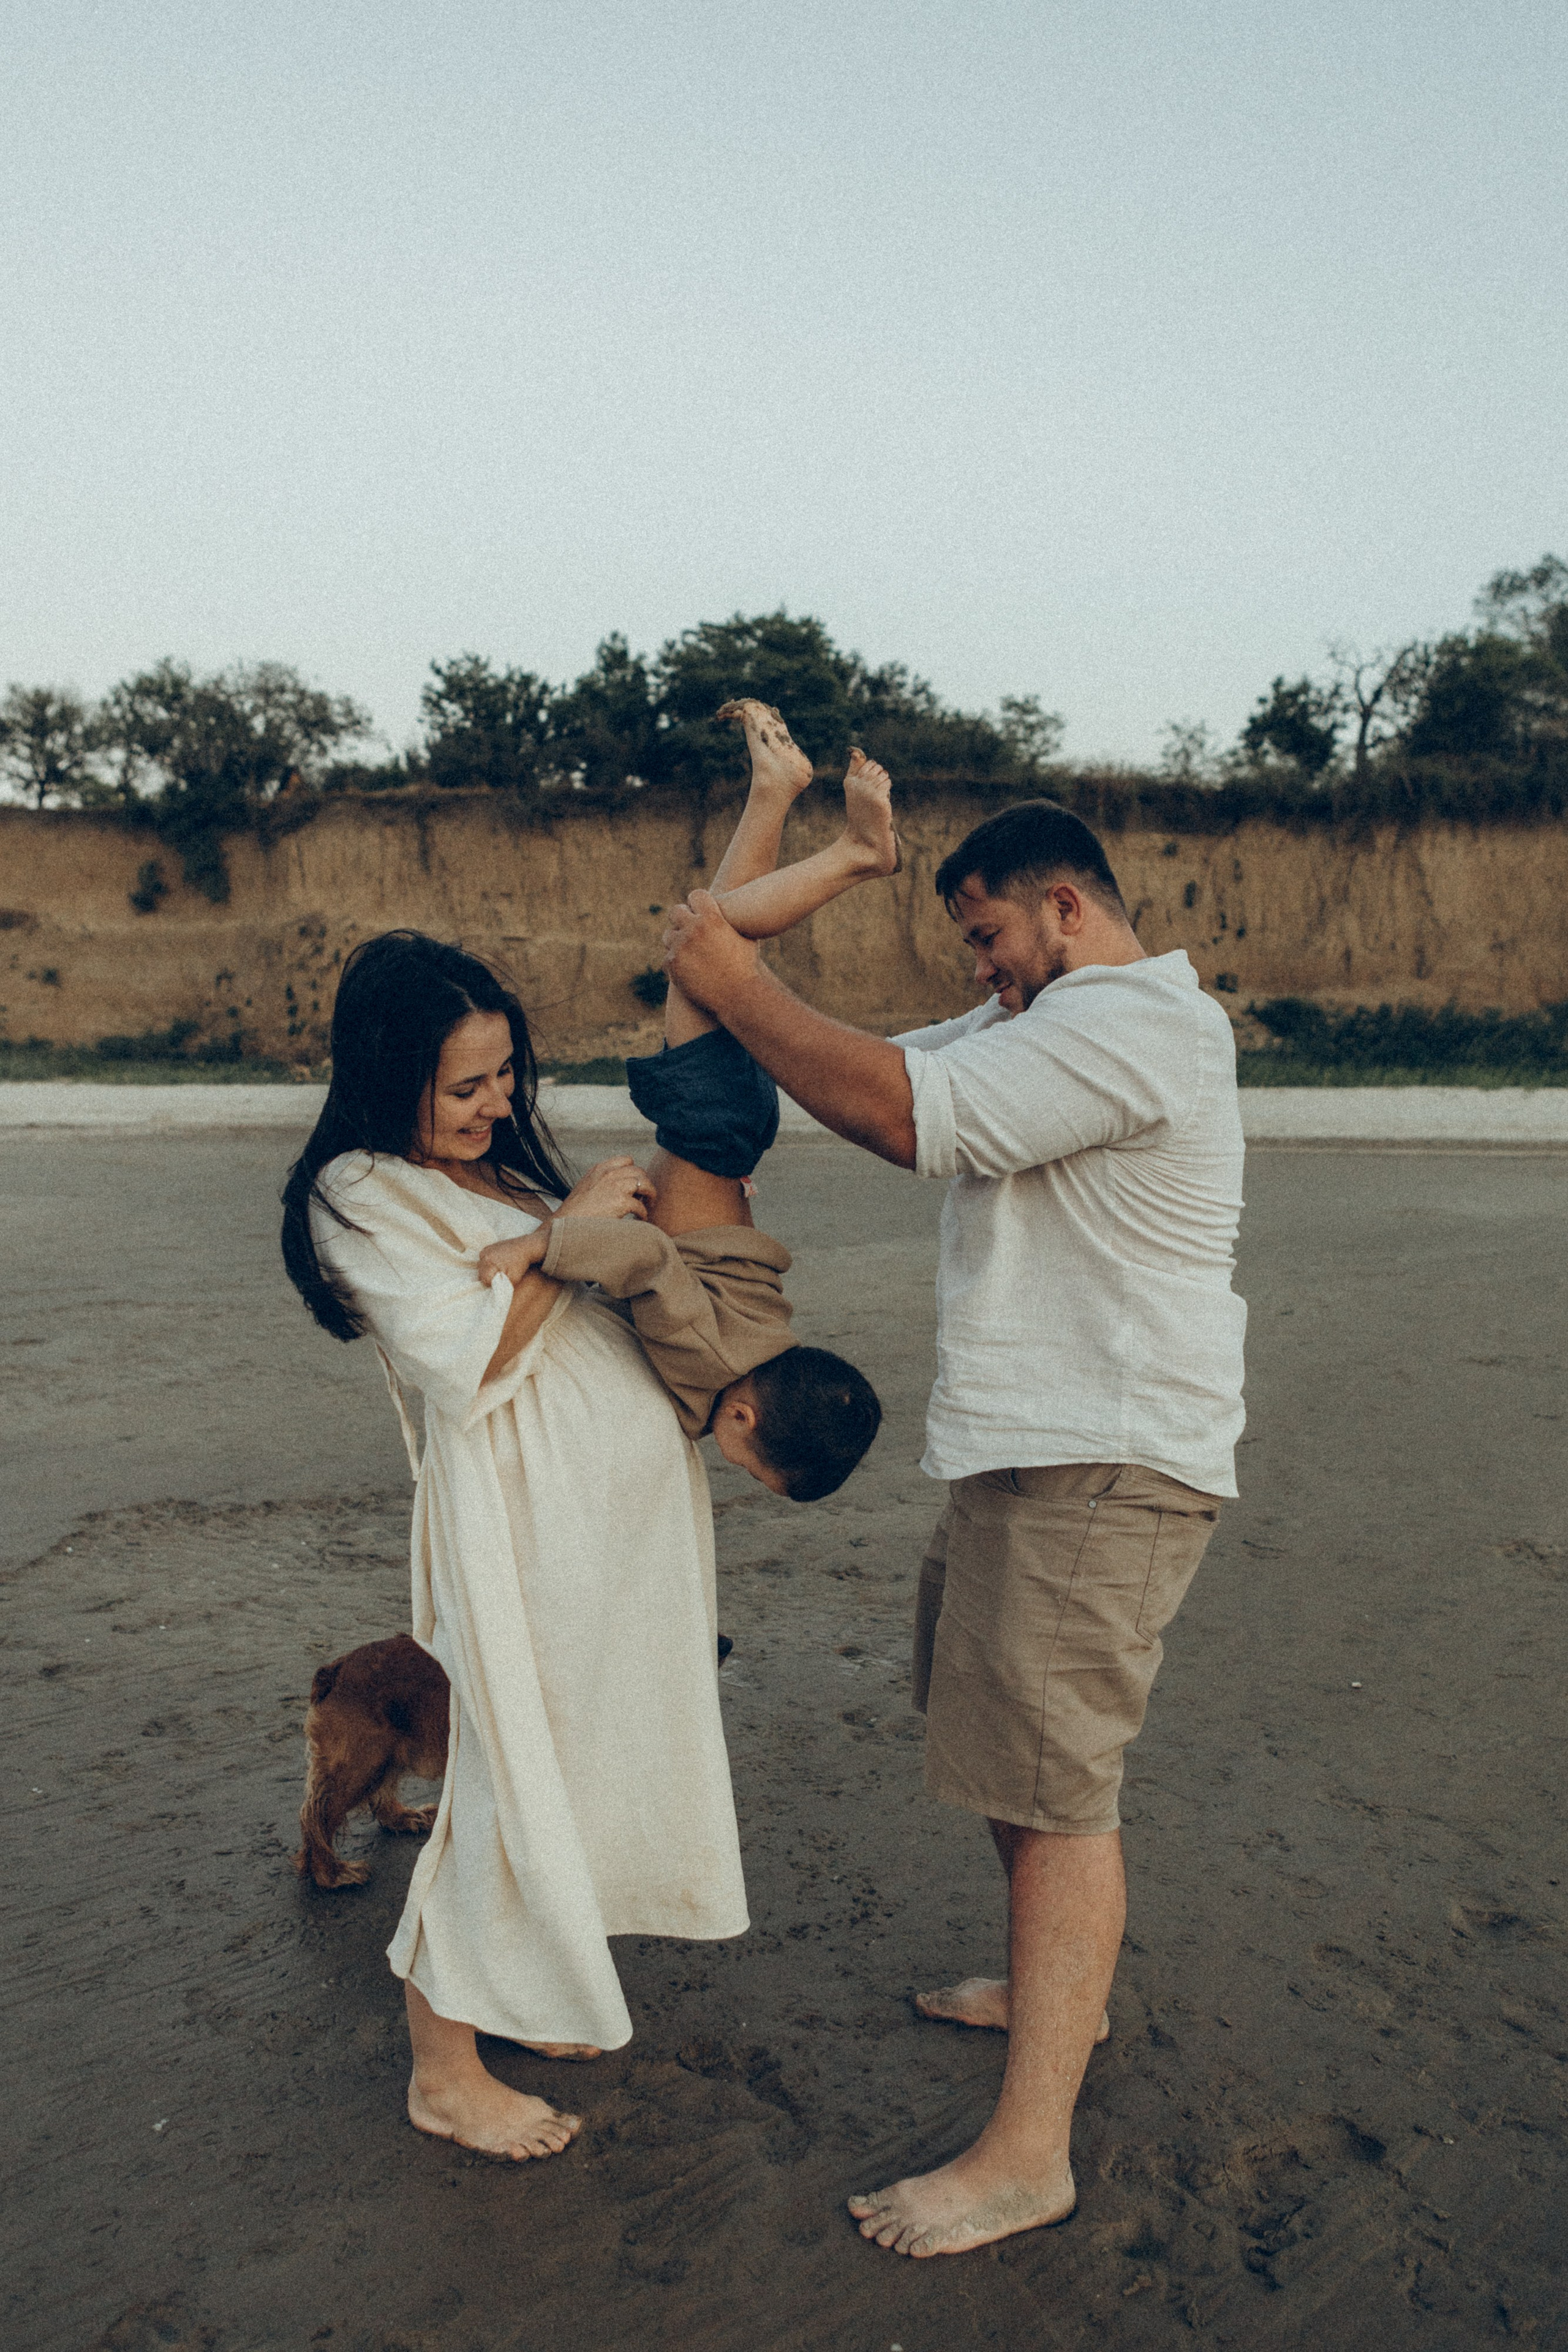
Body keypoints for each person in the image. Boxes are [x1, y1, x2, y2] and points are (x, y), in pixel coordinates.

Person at [662, 792, 1246, 2258]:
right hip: (1030, 1452)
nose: (977, 965)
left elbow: (901, 1116)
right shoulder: (1031, 1023)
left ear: (1064, 907)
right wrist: (746, 960)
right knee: (998, 1744)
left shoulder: (1137, 1023)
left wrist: (737, 978)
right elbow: (854, 1072)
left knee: (1056, 1792)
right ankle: (1063, 1994)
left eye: (988, 934)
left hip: (1101, 1457)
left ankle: (1026, 2155)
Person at [279, 932, 749, 2163]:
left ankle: (528, 1989)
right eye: (465, 1086)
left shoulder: (489, 1174)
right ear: (391, 1077)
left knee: (582, 1757)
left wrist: (565, 1230)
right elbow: (467, 1356)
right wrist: (565, 1232)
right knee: (498, 1776)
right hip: (516, 1525)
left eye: (505, 1078)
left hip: (609, 1529)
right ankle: (442, 2068)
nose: (496, 1106)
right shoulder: (356, 1190)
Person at [473, 699, 888, 1501]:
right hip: (709, 1129)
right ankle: (857, 853)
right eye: (749, 1469)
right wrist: (542, 1246)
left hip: (730, 1138)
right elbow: (648, 1258)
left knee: (712, 940)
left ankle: (776, 788)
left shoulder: (758, 1354)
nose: (732, 1466)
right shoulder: (711, 1362)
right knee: (705, 937)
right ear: (743, 1422)